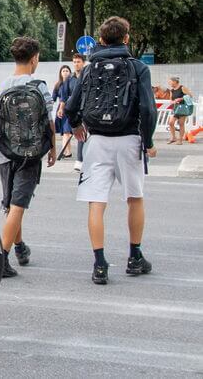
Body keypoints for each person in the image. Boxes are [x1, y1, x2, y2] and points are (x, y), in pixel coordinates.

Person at [64, 16, 157, 285]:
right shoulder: (138, 68)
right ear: (126, 38)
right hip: (129, 139)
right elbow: (148, 109)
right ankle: (135, 256)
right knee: (135, 197)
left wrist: (77, 126)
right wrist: (148, 141)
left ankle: (100, 264)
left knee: (96, 202)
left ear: (101, 41)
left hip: (97, 141)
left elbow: (71, 106)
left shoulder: (90, 69)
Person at [0, 37, 56, 277]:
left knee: (11, 205)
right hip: (31, 154)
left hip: (5, 153)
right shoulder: (40, 86)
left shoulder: (0, 88)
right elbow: (49, 121)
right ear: (34, 58)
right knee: (18, 205)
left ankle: (19, 246)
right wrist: (53, 148)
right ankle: (2, 259)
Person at [58, 53, 86, 171]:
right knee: (68, 132)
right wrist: (61, 108)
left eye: (78, 62)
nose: (76, 64)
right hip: (72, 110)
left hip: (85, 109)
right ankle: (76, 158)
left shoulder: (87, 76)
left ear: (83, 63)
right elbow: (64, 96)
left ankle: (81, 159)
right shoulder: (69, 78)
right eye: (74, 62)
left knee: (84, 134)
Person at [52, 65, 73, 158]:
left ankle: (64, 152)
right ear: (60, 73)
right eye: (63, 71)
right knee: (65, 132)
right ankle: (68, 152)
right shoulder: (58, 85)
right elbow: (53, 98)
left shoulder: (73, 83)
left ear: (70, 72)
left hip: (70, 109)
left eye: (67, 71)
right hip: (61, 110)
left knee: (66, 131)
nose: (65, 72)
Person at [167, 76, 194, 145]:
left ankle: (180, 140)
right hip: (175, 108)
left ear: (175, 81)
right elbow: (171, 100)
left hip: (183, 108)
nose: (169, 83)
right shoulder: (171, 90)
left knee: (181, 124)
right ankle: (173, 138)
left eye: (170, 82)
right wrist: (173, 102)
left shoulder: (182, 88)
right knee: (171, 122)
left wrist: (181, 99)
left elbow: (190, 95)